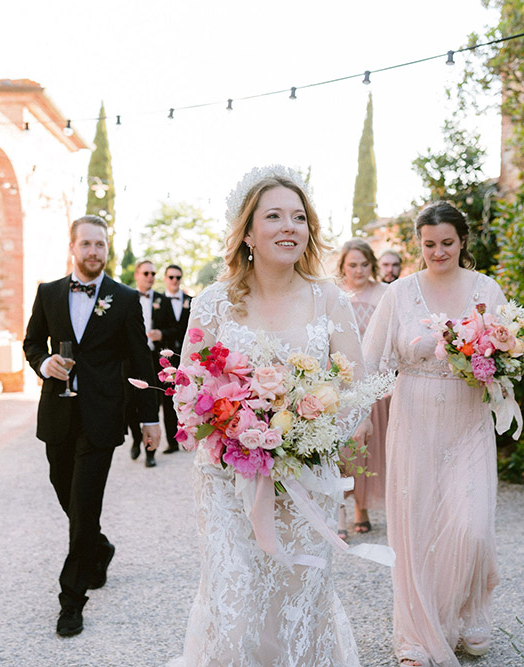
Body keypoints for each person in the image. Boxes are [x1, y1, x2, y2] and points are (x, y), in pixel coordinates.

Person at [168, 165, 376, 666]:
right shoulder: (214, 303)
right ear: (249, 233)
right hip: (226, 480)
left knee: (297, 599)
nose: (289, 226)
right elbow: (187, 389)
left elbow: (357, 390)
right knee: (234, 597)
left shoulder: (329, 298)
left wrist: (306, 436)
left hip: (306, 477)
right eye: (275, 216)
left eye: (299, 217)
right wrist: (234, 430)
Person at [363, 201, 505, 666]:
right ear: (418, 244)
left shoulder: (487, 290)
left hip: (468, 422)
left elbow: (509, 354)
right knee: (418, 529)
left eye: (447, 243)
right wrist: (352, 415)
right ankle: (417, 635)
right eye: (429, 245)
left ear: (463, 241)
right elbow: (369, 362)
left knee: (472, 527)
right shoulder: (399, 293)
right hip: (416, 422)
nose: (438, 252)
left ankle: (465, 613)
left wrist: (498, 362)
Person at [23, 215, 161, 638]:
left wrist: (149, 416)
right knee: (66, 492)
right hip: (58, 413)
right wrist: (44, 364)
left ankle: (71, 600)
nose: (94, 252)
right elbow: (31, 343)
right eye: (86, 244)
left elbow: (141, 361)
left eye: (100, 245)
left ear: (107, 249)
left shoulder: (123, 299)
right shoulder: (48, 293)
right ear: (73, 248)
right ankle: (99, 549)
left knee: (84, 506)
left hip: (102, 417)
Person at [335, 238, 389, 540]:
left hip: (374, 384)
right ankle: (339, 510)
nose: (358, 270)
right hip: (342, 385)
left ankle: (362, 508)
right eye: (352, 264)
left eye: (364, 264)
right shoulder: (335, 295)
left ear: (372, 264)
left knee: (368, 452)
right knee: (342, 450)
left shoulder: (384, 294)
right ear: (343, 266)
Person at [127, 258, 164, 467]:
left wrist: (162, 334)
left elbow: (176, 328)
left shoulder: (161, 300)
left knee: (152, 402)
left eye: (153, 274)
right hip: (131, 359)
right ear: (137, 275)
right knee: (130, 403)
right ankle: (135, 437)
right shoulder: (125, 299)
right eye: (146, 273)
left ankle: (151, 452)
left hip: (155, 358)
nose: (150, 277)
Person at [152, 263, 192, 454]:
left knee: (188, 398)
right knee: (168, 401)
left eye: (178, 277)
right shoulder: (158, 303)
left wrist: (164, 333)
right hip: (165, 361)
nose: (174, 281)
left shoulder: (191, 301)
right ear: (166, 279)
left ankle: (189, 439)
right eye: (171, 277)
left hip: (186, 359)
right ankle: (172, 442)